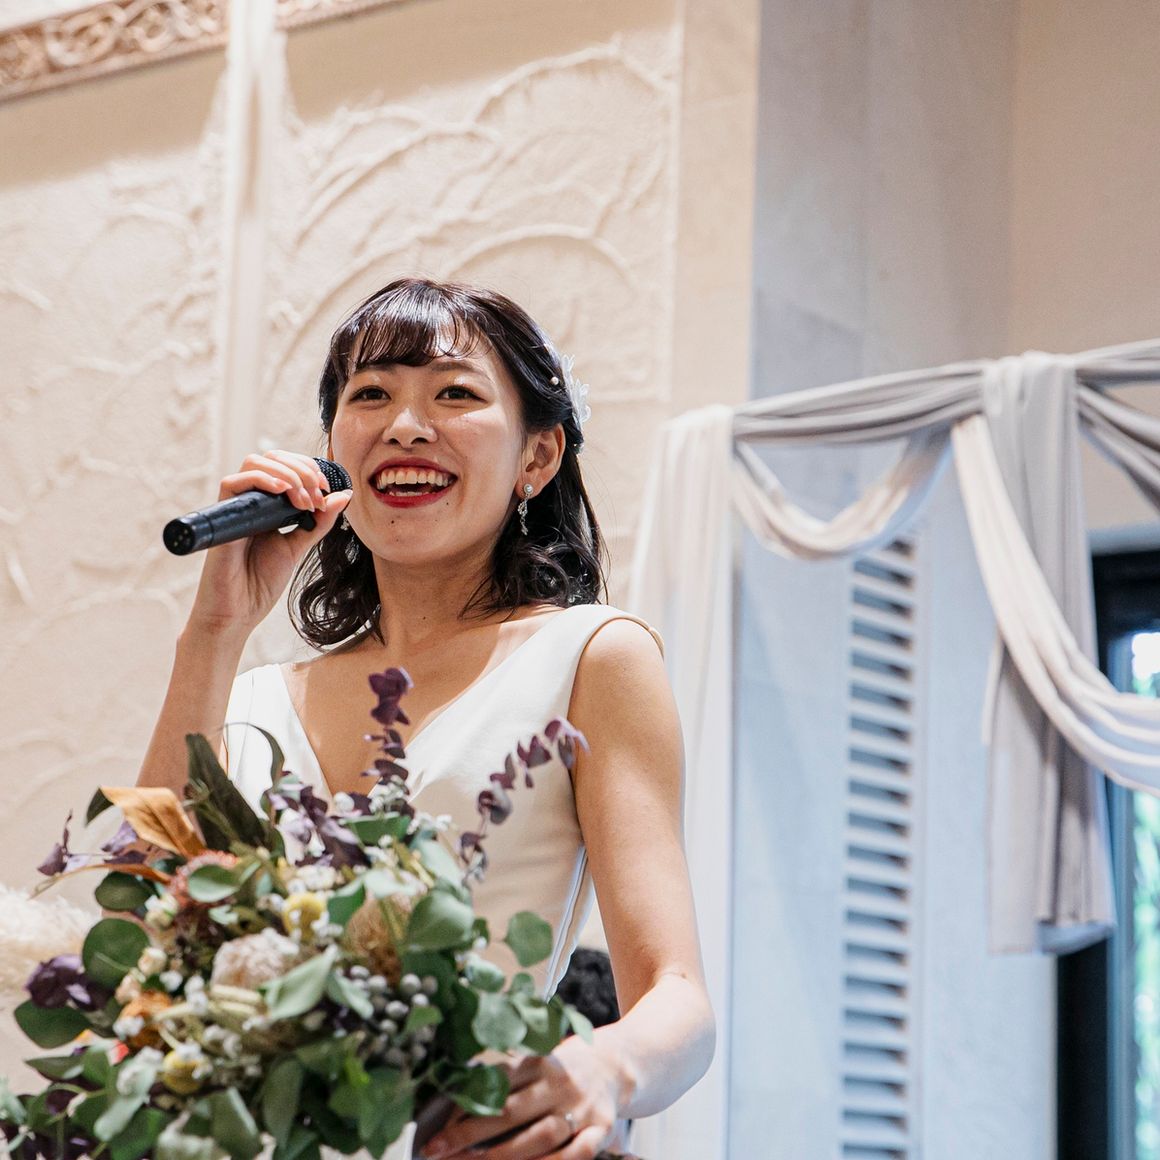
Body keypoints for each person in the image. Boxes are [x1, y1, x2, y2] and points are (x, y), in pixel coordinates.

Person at [137, 278, 714, 1160]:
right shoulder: (252, 698)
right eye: (371, 395)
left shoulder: (592, 657)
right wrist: (214, 632)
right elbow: (142, 930)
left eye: (454, 394)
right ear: (333, 454)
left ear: (537, 456)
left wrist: (604, 1069)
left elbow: (679, 995)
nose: (405, 426)